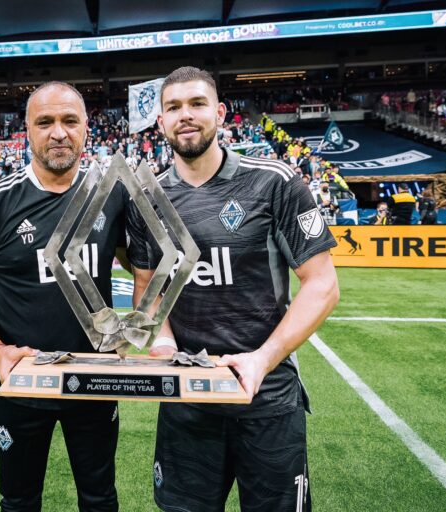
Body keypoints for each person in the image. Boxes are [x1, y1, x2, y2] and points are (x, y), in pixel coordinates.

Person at [127, 67, 339, 512]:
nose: (185, 116)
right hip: (188, 402)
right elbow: (149, 291)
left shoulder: (274, 181)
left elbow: (322, 285)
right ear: (161, 122)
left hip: (267, 398)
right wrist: (162, 341)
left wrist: (262, 360)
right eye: (173, 108)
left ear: (220, 113)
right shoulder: (148, 199)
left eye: (197, 104)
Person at [0, 81, 128, 512]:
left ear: (87, 128)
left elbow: (145, 268)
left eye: (70, 121)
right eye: (45, 122)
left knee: (100, 499)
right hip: (22, 381)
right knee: (19, 499)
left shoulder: (112, 195)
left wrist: (138, 332)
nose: (58, 132)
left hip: (96, 378)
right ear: (26, 130)